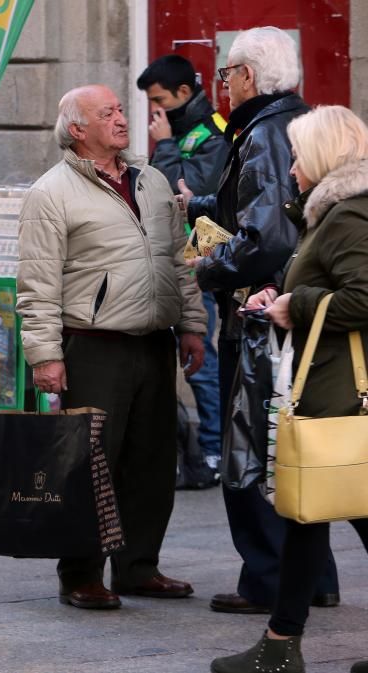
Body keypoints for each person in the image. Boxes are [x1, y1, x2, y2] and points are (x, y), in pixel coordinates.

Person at [17, 84, 207, 610]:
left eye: (121, 109)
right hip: (93, 346)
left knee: (150, 461)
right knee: (89, 463)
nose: (123, 119)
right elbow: (36, 284)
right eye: (109, 113)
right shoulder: (50, 192)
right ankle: (80, 572)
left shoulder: (151, 181)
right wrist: (45, 356)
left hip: (153, 343)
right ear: (78, 130)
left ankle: (139, 566)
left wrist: (192, 323)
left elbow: (178, 260)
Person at [179, 26, 341, 615]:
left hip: (260, 317)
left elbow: (266, 234)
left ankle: (272, 580)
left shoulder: (265, 131)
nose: (222, 85)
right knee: (283, 448)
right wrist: (199, 207)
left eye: (226, 73)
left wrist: (206, 268)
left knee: (254, 451)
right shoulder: (282, 124)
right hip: (280, 312)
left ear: (247, 76)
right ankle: (310, 579)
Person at [211, 106, 368, 673]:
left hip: (340, 396)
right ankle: (280, 646)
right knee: (306, 518)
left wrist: (293, 306)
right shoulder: (326, 216)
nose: (293, 165)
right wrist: (276, 293)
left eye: (300, 154)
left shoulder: (348, 217)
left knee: (312, 515)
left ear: (324, 158)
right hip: (326, 391)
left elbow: (363, 297)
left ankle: (279, 648)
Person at [137, 55, 230, 482]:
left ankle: (214, 451)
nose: (155, 112)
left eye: (160, 101)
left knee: (200, 358)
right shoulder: (181, 130)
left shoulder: (211, 134)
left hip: (202, 258)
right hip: (175, 256)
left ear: (183, 94)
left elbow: (184, 193)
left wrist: (165, 145)